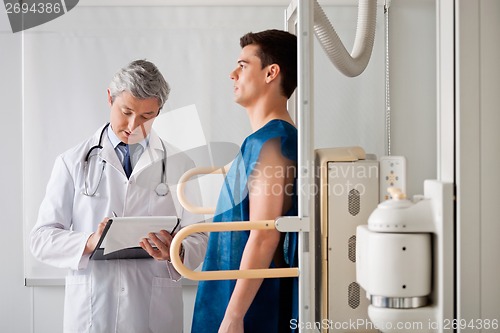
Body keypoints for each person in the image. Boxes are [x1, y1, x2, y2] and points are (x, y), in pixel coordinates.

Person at [30, 59, 208, 333]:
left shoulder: (180, 164)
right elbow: (41, 239)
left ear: (159, 111)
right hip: (92, 310)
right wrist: (89, 242)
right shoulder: (72, 162)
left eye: (147, 116)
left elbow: (200, 237)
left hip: (153, 311)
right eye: (126, 112)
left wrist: (177, 249)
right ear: (110, 98)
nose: (134, 125)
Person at [191, 29, 298, 333]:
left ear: (270, 73)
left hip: (250, 310)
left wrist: (234, 316)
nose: (232, 74)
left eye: (243, 65)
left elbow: (265, 235)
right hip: (232, 296)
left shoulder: (273, 144)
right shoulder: (260, 142)